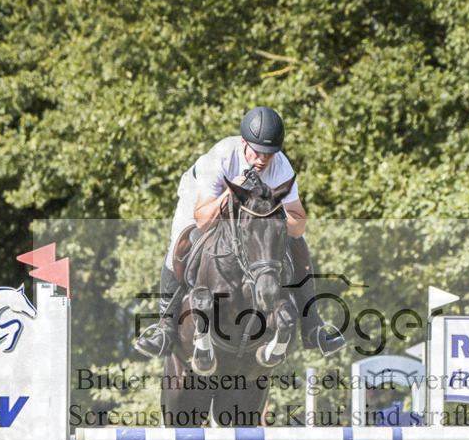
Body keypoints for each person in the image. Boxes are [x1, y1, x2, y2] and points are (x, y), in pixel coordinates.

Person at [136, 106, 346, 358]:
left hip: (254, 210)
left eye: (270, 153)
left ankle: (313, 326)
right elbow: (203, 220)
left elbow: (299, 225)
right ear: (244, 142)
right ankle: (165, 329)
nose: (263, 159)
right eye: (258, 152)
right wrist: (228, 193)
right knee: (180, 243)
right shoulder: (221, 158)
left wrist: (274, 218)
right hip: (203, 196)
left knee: (299, 242)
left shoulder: (281, 168)